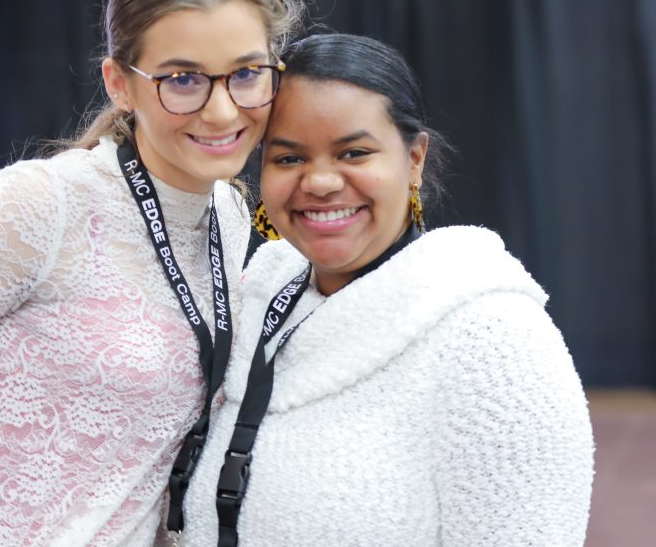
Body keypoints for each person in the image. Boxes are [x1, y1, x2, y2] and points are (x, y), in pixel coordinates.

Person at [0, 0, 304, 545]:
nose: (224, 111)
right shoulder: (44, 203)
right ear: (119, 83)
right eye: (183, 79)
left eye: (247, 74)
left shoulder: (230, 220)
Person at [179, 33, 595, 546]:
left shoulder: (493, 339)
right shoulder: (258, 297)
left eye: (353, 152)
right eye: (288, 158)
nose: (321, 182)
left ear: (414, 159)